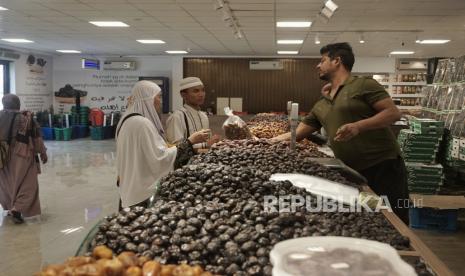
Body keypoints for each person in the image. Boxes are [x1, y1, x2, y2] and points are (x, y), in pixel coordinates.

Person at [273, 42, 409, 223]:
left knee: (394, 217)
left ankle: (402, 251)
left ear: (337, 61)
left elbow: (393, 113)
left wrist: (358, 126)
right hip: (352, 171)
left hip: (383, 165)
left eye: (322, 61)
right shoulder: (322, 102)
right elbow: (297, 133)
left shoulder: (362, 84)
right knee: (369, 217)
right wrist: (266, 141)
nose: (317, 65)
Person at [116, 81, 210, 209]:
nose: (161, 101)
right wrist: (190, 141)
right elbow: (160, 159)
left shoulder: (128, 120)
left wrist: (195, 147)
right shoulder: (142, 123)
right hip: (142, 193)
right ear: (148, 99)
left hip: (131, 187)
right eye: (159, 97)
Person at [0, 94, 47, 224]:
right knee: (29, 184)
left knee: (6, 184)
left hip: (2, 156)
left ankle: (11, 207)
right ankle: (17, 208)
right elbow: (36, 137)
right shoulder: (26, 118)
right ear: (18, 104)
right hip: (22, 155)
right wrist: (43, 152)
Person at [166, 77, 220, 149]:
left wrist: (214, 142)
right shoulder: (177, 117)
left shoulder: (203, 116)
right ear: (183, 95)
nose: (201, 94)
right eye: (196, 91)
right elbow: (175, 148)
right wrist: (205, 145)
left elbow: (207, 143)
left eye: (203, 90)